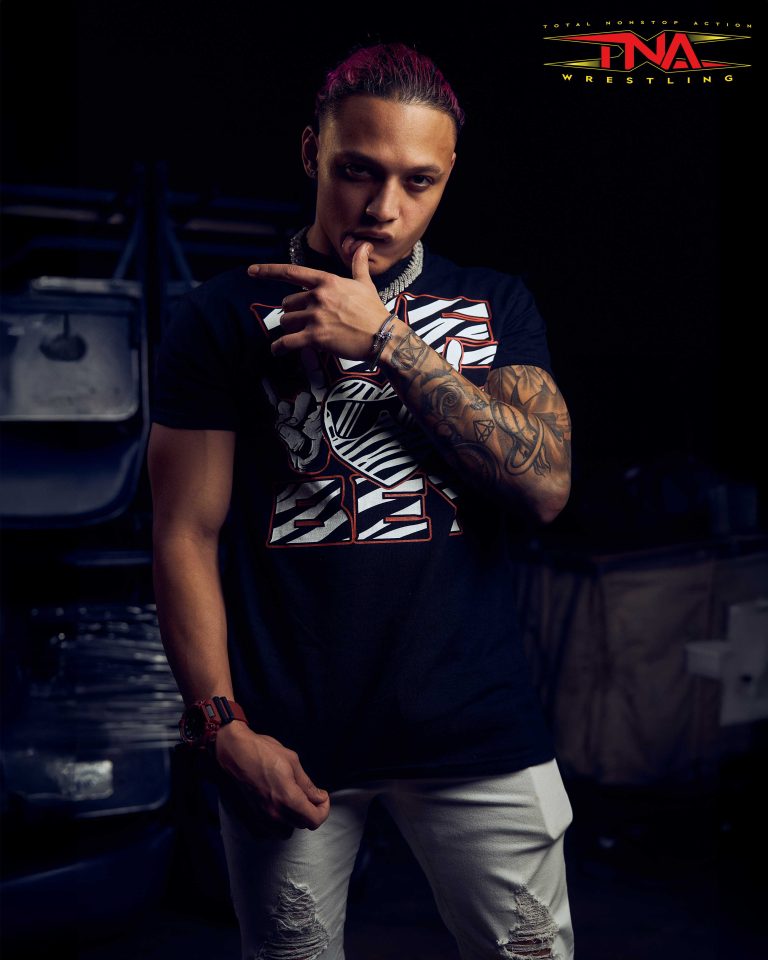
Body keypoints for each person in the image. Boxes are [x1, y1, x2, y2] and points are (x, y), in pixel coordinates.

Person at [149, 41, 575, 960]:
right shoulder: (221, 316)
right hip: (289, 739)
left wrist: (387, 340)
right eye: (357, 170)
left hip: (476, 732)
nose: (384, 207)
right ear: (312, 152)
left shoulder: (496, 304)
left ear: (449, 173)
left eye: (419, 181)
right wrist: (221, 728)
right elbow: (185, 532)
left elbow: (544, 487)